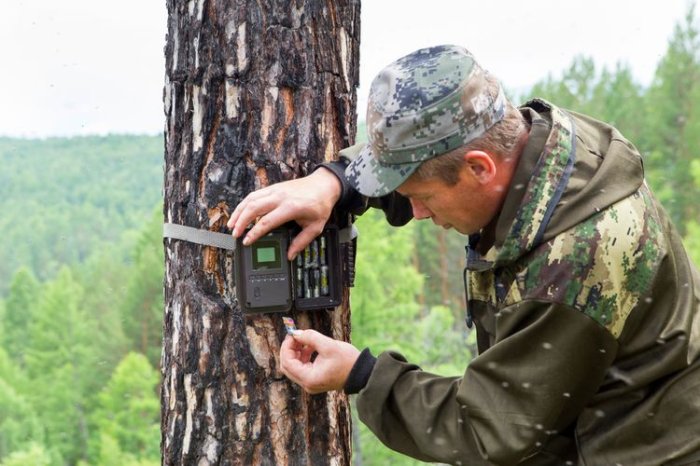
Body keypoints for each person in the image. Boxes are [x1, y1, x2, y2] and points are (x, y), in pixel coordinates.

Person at [228, 45, 700, 465]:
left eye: (423, 197)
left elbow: (491, 428)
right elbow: (434, 155)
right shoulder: (541, 146)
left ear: (480, 168)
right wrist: (334, 182)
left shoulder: (572, 263)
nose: (413, 212)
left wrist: (364, 376)